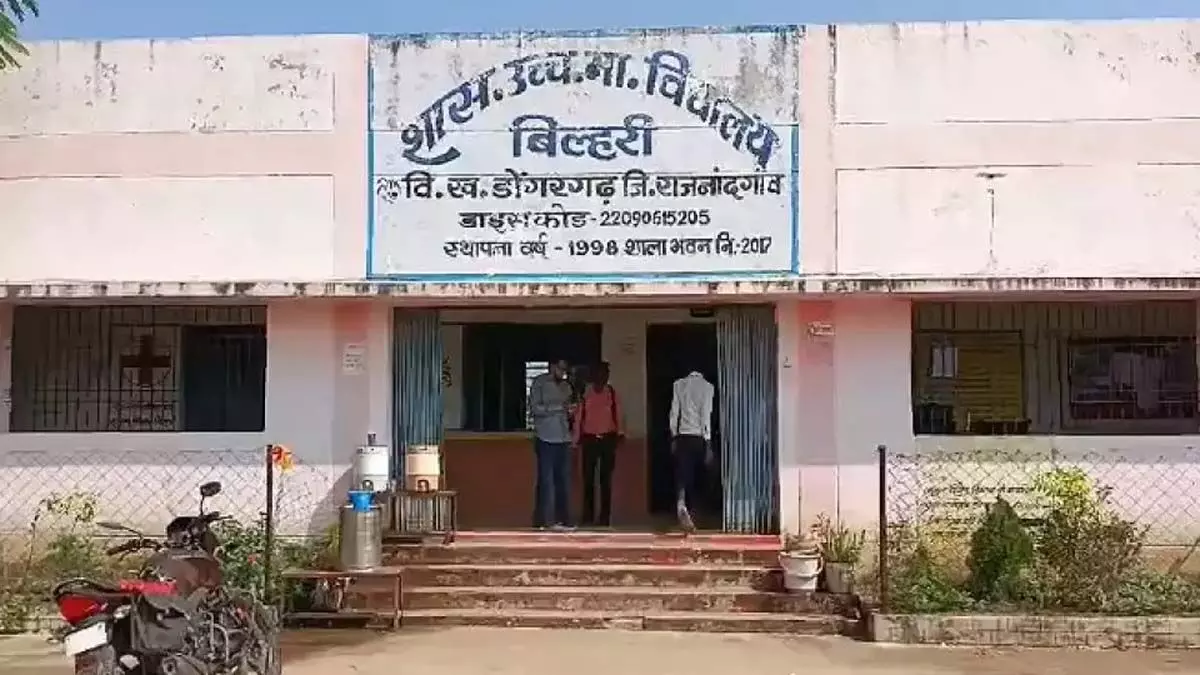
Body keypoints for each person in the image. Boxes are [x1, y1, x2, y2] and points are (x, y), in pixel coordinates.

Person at [573, 361, 624, 528]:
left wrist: (620, 434)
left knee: (605, 480)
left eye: (605, 374)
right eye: (599, 374)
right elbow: (579, 417)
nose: (602, 377)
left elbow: (619, 414)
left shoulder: (612, 394)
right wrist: (575, 440)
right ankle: (588, 516)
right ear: (593, 376)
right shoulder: (586, 394)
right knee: (588, 479)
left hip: (607, 440)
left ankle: (604, 517)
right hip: (589, 440)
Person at [528, 358, 574, 530]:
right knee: (546, 481)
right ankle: (544, 520)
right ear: (552, 367)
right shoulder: (539, 383)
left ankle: (563, 520)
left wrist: (571, 411)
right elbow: (535, 409)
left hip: (564, 437)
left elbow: (568, 409)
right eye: (560, 368)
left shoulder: (566, 386)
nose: (563, 372)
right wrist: (557, 408)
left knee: (564, 481)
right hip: (545, 437)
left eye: (565, 369)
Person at [669, 368, 715, 533]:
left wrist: (674, 436)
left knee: (682, 474)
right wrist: (708, 443)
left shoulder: (678, 385)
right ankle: (694, 514)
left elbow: (674, 413)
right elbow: (705, 415)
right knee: (697, 477)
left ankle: (681, 503)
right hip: (698, 438)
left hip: (682, 437)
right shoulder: (707, 387)